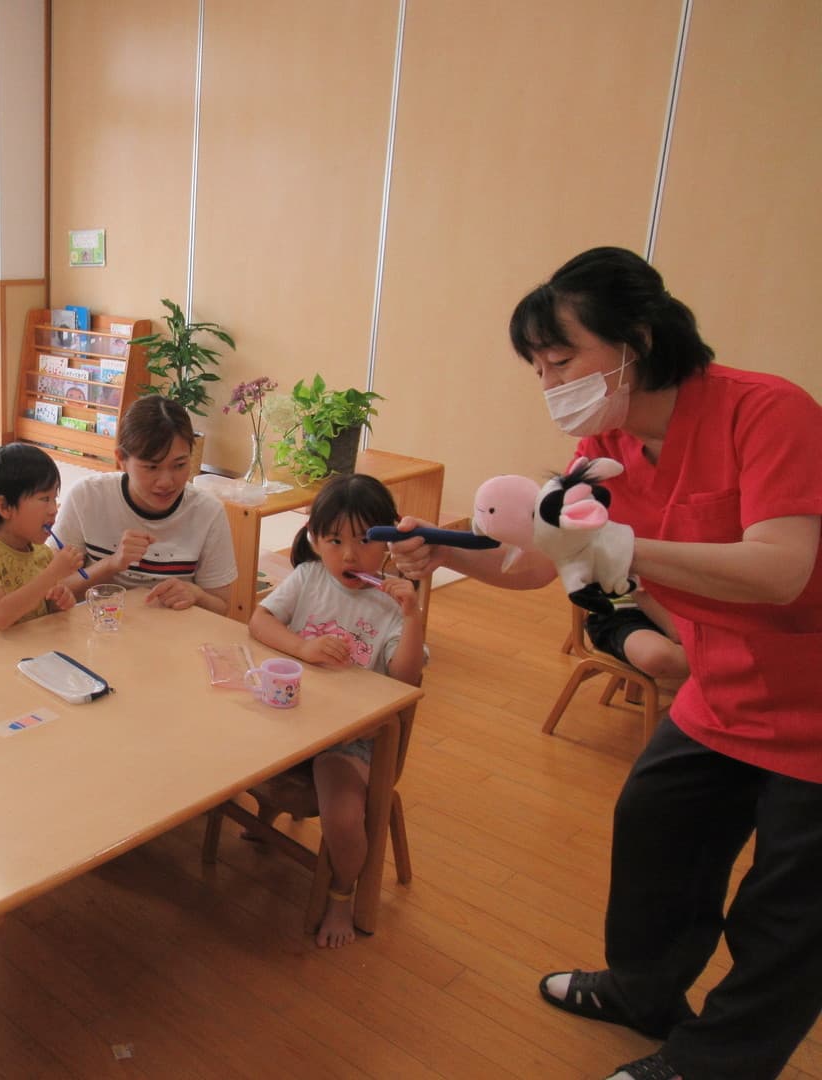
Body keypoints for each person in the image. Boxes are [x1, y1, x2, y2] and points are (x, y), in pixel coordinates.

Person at [388, 247, 822, 1080]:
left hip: (813, 697)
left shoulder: (767, 412)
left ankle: (716, 1064)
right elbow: (537, 564)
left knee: (788, 908)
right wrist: (442, 551)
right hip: (723, 684)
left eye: (562, 360)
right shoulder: (607, 442)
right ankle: (641, 991)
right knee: (657, 831)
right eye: (538, 369)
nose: (550, 384)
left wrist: (620, 547)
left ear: (638, 339)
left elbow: (781, 569)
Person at [249, 473, 424, 948]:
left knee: (344, 820)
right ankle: (262, 813)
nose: (350, 555)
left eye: (365, 540)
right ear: (314, 540)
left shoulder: (392, 602)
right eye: (335, 541)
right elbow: (260, 620)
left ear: (388, 542)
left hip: (351, 740)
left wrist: (413, 617)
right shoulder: (309, 578)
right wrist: (302, 647)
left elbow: (406, 680)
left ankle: (342, 893)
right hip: (293, 716)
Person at [52, 396, 237, 614]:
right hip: (97, 628)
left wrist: (197, 595)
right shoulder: (86, 497)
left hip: (174, 631)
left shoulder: (208, 512)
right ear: (121, 459)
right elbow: (52, 594)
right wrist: (112, 564)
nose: (166, 482)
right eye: (151, 467)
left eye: (179, 465)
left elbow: (222, 607)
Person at [0, 443, 81, 638]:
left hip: (34, 648)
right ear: (5, 507)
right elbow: (0, 616)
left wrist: (58, 602)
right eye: (44, 498)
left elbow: (41, 611)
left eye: (54, 498)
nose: (53, 509)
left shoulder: (42, 553)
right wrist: (52, 574)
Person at [584, 590, 688, 684]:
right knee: (657, 656)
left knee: (659, 656)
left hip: (679, 609)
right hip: (621, 614)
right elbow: (640, 590)